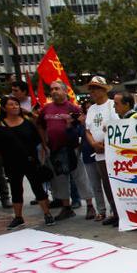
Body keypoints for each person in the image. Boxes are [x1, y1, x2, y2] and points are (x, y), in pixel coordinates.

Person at [0, 96, 54, 228]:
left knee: (37, 187)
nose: (14, 107)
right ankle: (18, 217)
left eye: (16, 104)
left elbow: (37, 141)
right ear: (3, 108)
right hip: (11, 163)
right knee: (16, 189)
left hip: (30, 161)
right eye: (11, 105)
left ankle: (47, 214)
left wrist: (40, 155)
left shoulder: (27, 123)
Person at [38, 81, 94, 221]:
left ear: (64, 91)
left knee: (80, 177)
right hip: (54, 149)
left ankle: (90, 205)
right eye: (52, 89)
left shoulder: (73, 108)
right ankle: (66, 207)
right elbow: (40, 125)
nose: (54, 91)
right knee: (60, 180)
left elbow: (83, 127)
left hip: (72, 149)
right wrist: (44, 142)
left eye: (57, 89)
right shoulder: (46, 109)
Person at [84, 76, 119, 226]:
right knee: (106, 184)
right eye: (91, 88)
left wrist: (104, 143)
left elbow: (117, 126)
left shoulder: (112, 105)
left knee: (115, 184)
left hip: (112, 152)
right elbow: (87, 130)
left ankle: (120, 212)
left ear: (103, 90)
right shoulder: (91, 109)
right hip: (98, 154)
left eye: (95, 88)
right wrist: (93, 144)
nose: (92, 91)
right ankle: (114, 212)